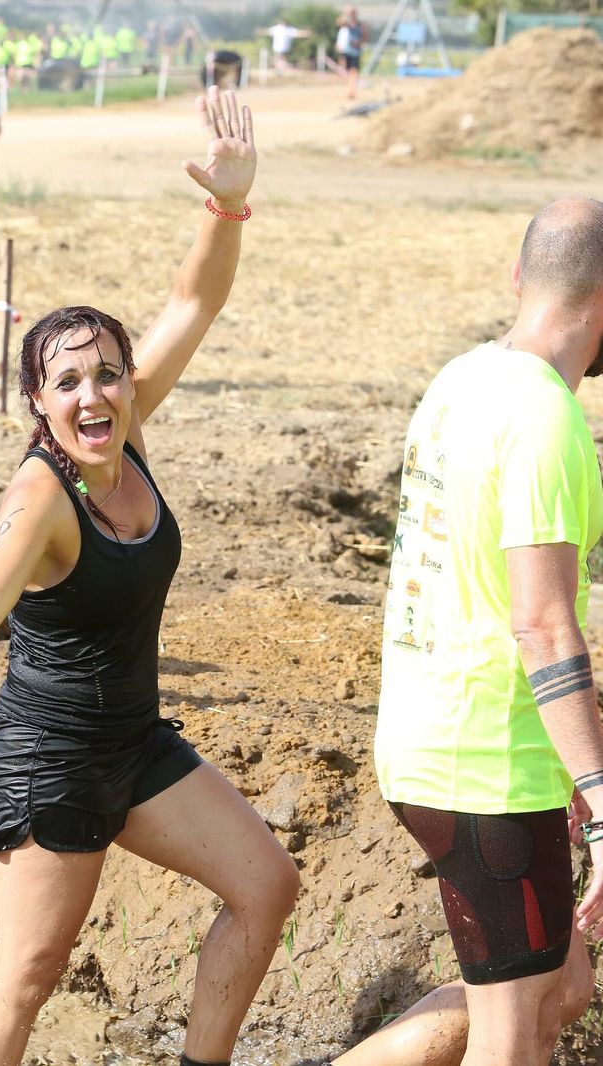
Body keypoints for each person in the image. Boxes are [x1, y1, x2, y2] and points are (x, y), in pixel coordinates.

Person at [0, 91, 293, 1066]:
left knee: (265, 884)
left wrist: (226, 205)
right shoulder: (42, 491)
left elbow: (193, 303)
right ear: (38, 400)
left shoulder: (128, 428)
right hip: (51, 759)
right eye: (66, 381)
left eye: (107, 372)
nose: (93, 393)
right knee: (25, 977)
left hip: (135, 743)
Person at [333, 199, 603, 1066]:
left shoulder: (463, 378)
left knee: (560, 991)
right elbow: (544, 626)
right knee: (510, 1038)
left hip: (436, 741)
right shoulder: (548, 419)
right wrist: (601, 797)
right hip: (487, 767)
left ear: (520, 277)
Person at [335, 7, 365, 99]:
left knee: (354, 71)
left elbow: (366, 36)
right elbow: (339, 23)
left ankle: (352, 90)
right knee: (346, 71)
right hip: (346, 50)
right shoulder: (346, 23)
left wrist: (359, 42)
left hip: (355, 51)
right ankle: (351, 88)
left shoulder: (361, 25)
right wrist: (345, 14)